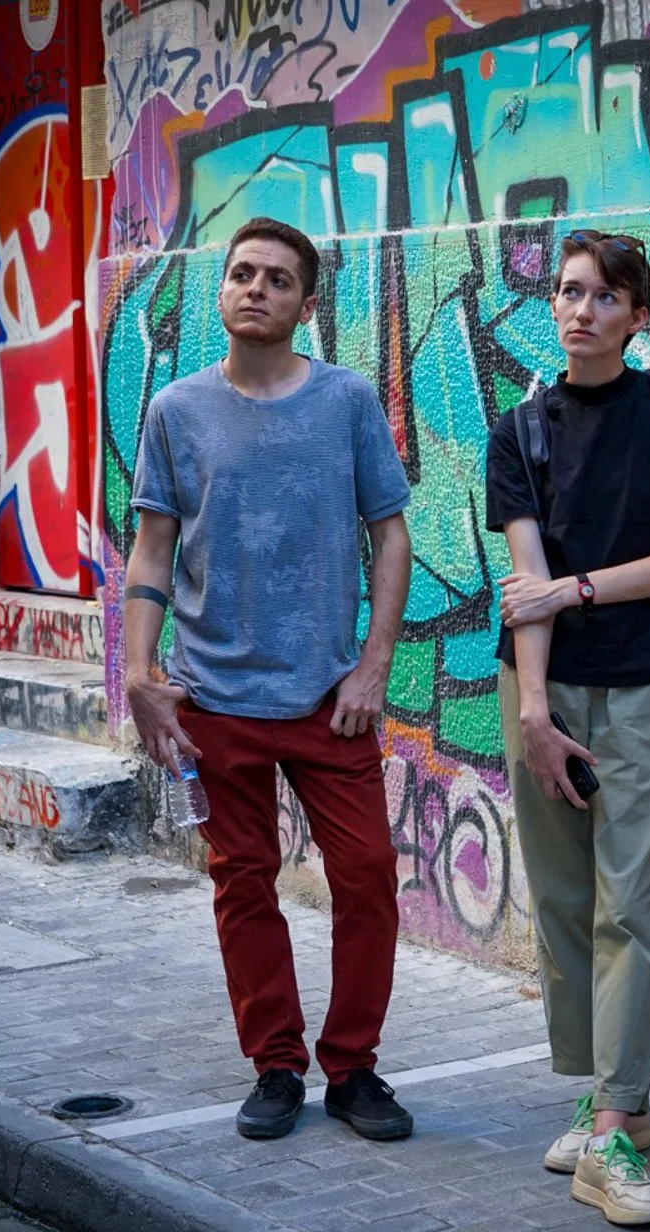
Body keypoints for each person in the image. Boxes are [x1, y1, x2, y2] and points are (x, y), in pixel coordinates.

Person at [122, 216, 416, 1146]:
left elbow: (393, 533)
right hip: (215, 698)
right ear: (222, 290)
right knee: (241, 882)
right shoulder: (175, 409)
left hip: (332, 701)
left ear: (305, 303)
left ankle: (355, 1068)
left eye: (277, 279)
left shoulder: (347, 402)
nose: (256, 288)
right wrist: (137, 670)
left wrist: (374, 665)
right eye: (241, 273)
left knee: (366, 876)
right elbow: (153, 545)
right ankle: (276, 1065)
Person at [485, 229, 650, 1227]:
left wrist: (574, 590)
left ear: (638, 314)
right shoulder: (519, 430)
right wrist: (535, 711)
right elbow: (521, 585)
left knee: (629, 899)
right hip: (540, 686)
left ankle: (616, 1124)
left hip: (642, 683)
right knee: (560, 899)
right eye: (567, 291)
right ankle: (603, 1093)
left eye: (603, 295)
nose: (579, 308)